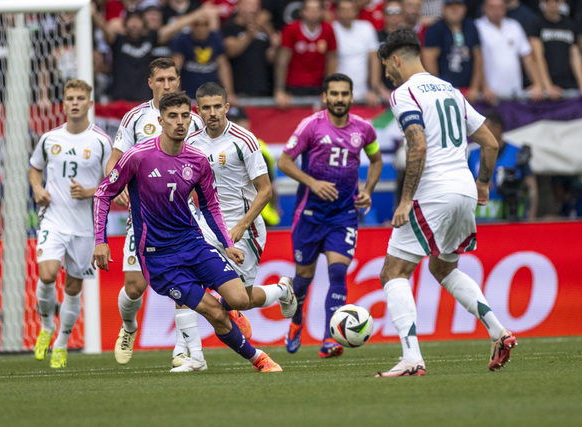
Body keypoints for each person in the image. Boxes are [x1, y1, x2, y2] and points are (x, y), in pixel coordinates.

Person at [92, 92, 283, 373]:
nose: (180, 122)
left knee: (239, 299)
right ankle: (258, 359)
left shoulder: (197, 160)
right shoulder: (138, 156)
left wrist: (227, 243)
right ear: (160, 121)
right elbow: (103, 193)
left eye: (184, 116)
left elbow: (210, 207)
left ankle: (280, 291)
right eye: (172, 116)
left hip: (193, 244)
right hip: (159, 257)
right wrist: (100, 241)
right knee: (214, 311)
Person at [375, 29, 516, 377]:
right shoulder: (450, 90)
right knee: (443, 268)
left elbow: (418, 145)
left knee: (393, 272)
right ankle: (499, 331)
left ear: (396, 60)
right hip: (463, 189)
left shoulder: (404, 93)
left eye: (386, 66)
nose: (387, 74)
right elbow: (490, 142)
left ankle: (411, 359)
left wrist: (405, 200)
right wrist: (482, 183)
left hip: (433, 191)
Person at [170, 82, 297, 372]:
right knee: (184, 282)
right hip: (206, 226)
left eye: (218, 106)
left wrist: (240, 226)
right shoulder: (191, 142)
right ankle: (192, 356)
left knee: (240, 298)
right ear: (198, 111)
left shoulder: (245, 141)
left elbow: (265, 190)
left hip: (245, 229)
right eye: (206, 108)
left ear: (226, 107)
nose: (212, 113)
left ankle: (281, 290)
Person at [106, 58, 204, 368]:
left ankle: (181, 350)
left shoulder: (194, 121)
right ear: (150, 83)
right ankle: (129, 326)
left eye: (171, 79)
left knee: (184, 283)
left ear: (179, 81)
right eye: (160, 79)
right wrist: (116, 186)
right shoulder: (136, 117)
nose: (166, 84)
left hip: (183, 215)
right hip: (144, 215)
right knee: (135, 286)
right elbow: (115, 159)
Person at [278, 73, 383, 358]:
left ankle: (329, 339)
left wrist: (368, 190)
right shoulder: (311, 126)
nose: (339, 99)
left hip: (343, 215)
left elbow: (376, 160)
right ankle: (296, 320)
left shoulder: (364, 129)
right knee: (302, 280)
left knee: (338, 272)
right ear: (325, 97)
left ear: (351, 96)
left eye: (344, 94)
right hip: (310, 214)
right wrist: (312, 183)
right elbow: (284, 161)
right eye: (334, 93)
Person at [30, 79, 113, 368]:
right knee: (48, 274)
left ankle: (62, 344)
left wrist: (90, 192)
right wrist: (37, 189)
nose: (75, 102)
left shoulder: (101, 141)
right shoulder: (49, 139)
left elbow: (113, 182)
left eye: (80, 98)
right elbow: (35, 168)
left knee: (74, 288)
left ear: (89, 103)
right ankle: (46, 326)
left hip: (86, 227)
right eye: (70, 98)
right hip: (54, 218)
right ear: (63, 103)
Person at [468, 110, 538, 220]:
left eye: (485, 128)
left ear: (498, 129)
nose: (481, 132)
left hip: (512, 222)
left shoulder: (518, 153)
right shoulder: (472, 155)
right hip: (479, 222)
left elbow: (532, 187)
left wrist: (531, 217)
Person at [475, 0, 543, 103]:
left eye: (500, 7)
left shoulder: (514, 26)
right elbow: (476, 59)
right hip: (489, 96)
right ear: (484, 9)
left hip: (515, 95)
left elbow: (527, 57)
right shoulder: (477, 27)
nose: (497, 11)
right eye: (492, 7)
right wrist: (483, 86)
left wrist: (537, 84)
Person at [274, 0, 338, 109]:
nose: (313, 13)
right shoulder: (291, 29)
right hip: (294, 86)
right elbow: (282, 61)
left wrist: (329, 89)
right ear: (302, 12)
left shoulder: (328, 29)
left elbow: (332, 60)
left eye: (317, 9)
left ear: (322, 12)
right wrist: (279, 90)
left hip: (318, 86)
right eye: (309, 9)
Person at [422, 0, 484, 104]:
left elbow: (478, 57)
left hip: (468, 92)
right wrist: (438, 89)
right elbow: (429, 59)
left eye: (458, 5)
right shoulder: (435, 29)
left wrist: (475, 87)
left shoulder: (471, 27)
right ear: (443, 9)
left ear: (464, 8)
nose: (454, 9)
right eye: (450, 6)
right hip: (444, 92)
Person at [171, 15, 238, 105]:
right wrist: (177, 95)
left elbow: (223, 66)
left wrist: (229, 93)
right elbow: (175, 70)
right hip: (188, 96)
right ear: (191, 26)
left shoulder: (216, 38)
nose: (201, 28)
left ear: (209, 26)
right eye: (197, 24)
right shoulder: (182, 39)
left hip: (212, 96)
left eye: (205, 24)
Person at [221, 0, 279, 97]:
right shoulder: (229, 27)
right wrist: (248, 36)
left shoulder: (264, 29)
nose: (253, 9)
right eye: (249, 5)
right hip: (240, 90)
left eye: (257, 6)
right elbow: (230, 52)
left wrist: (274, 46)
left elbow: (270, 59)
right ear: (238, 6)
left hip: (263, 89)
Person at [528, 0, 582, 98]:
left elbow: (575, 56)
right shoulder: (535, 23)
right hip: (547, 89)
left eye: (556, 0)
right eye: (547, 1)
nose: (552, 3)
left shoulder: (569, 24)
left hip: (569, 84)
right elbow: (537, 57)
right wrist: (548, 85)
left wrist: (581, 83)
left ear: (562, 1)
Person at [332, 0, 382, 105]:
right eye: (343, 10)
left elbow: (374, 60)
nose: (347, 13)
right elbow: (330, 62)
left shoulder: (366, 27)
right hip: (339, 95)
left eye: (350, 10)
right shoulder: (332, 29)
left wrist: (374, 89)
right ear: (337, 11)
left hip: (364, 95)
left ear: (356, 11)